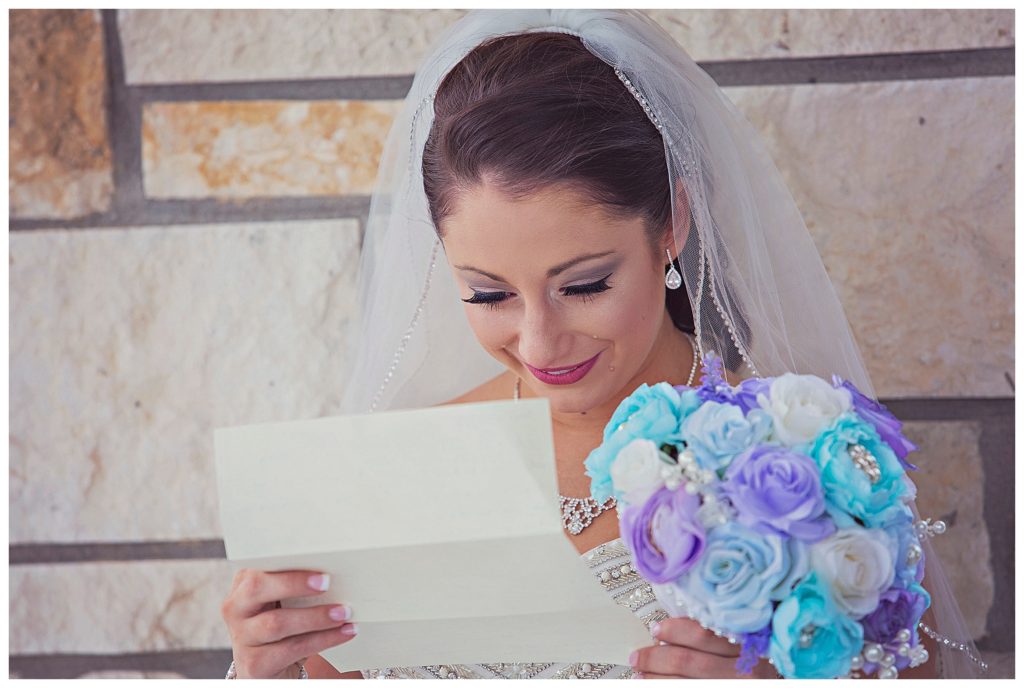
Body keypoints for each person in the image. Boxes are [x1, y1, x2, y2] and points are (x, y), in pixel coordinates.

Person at [219, 9, 987, 679]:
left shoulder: (801, 467)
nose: (539, 339)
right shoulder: (396, 468)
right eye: (488, 294)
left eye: (583, 284)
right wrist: (270, 670)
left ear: (672, 225)